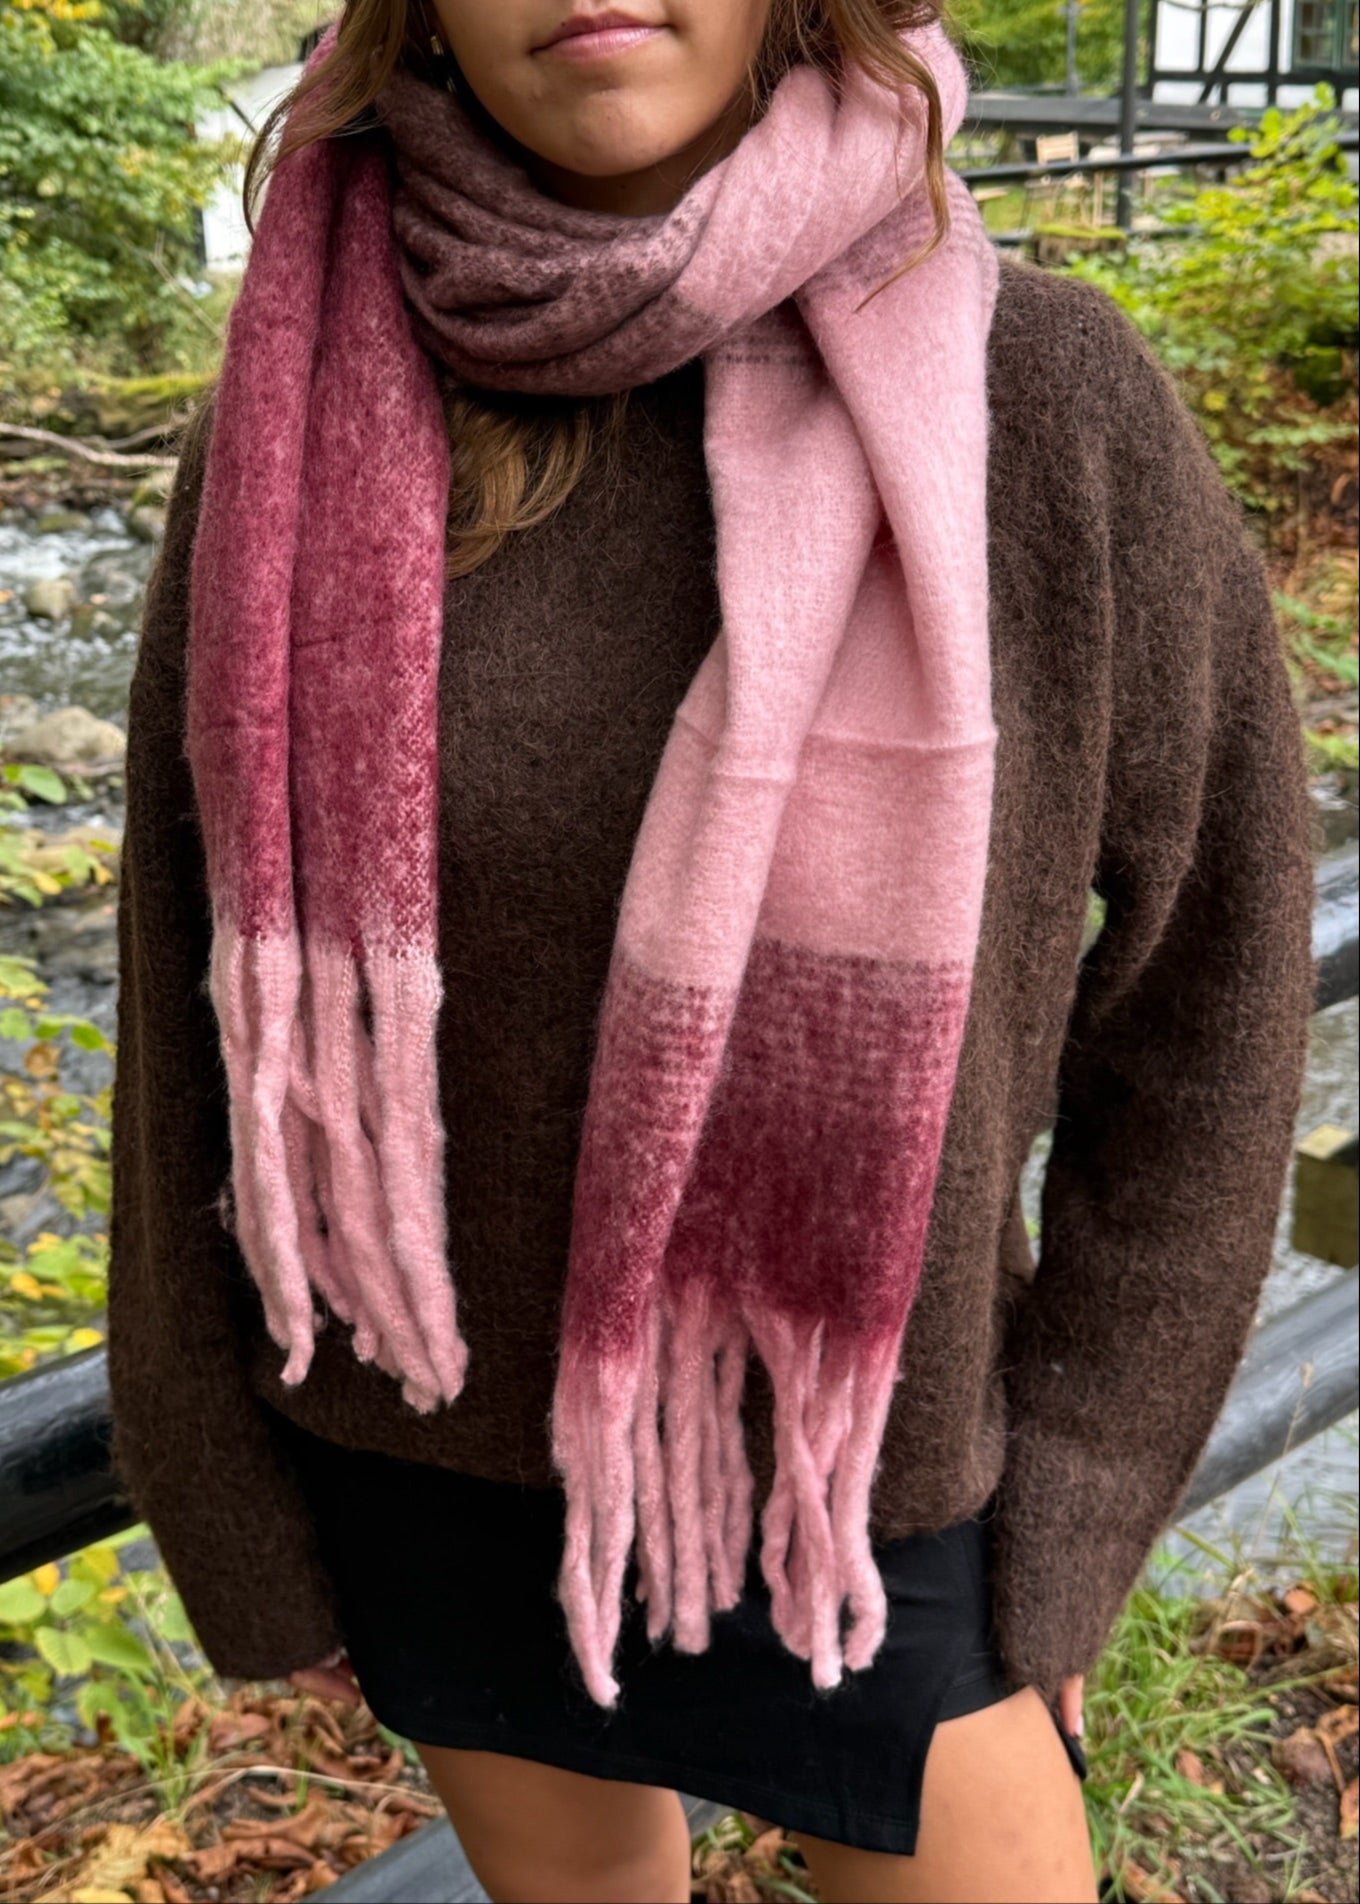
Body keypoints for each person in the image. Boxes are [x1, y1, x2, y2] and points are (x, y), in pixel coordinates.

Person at [106, 3, 1315, 1900]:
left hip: (870, 1476)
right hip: (427, 1458)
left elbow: (1217, 991)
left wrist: (1080, 1499)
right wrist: (234, 1514)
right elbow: (189, 1012)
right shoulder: (300, 415)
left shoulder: (1039, 397)